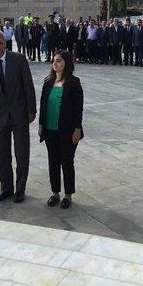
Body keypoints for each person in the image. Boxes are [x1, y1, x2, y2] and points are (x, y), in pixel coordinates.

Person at [0, 30, 36, 203]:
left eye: (0, 43)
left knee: (21, 153)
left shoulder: (18, 59)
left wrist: (31, 110)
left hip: (20, 114)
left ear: (5, 43)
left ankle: (20, 189)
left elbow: (28, 86)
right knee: (2, 154)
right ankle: (6, 187)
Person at [38, 51, 83, 209]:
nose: (55, 64)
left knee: (67, 162)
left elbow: (78, 109)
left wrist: (77, 129)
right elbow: (43, 105)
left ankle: (68, 194)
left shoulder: (74, 83)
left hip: (68, 130)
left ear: (66, 63)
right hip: (50, 129)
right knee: (53, 161)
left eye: (58, 61)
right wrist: (41, 124)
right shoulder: (48, 82)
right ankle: (55, 192)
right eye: (53, 61)